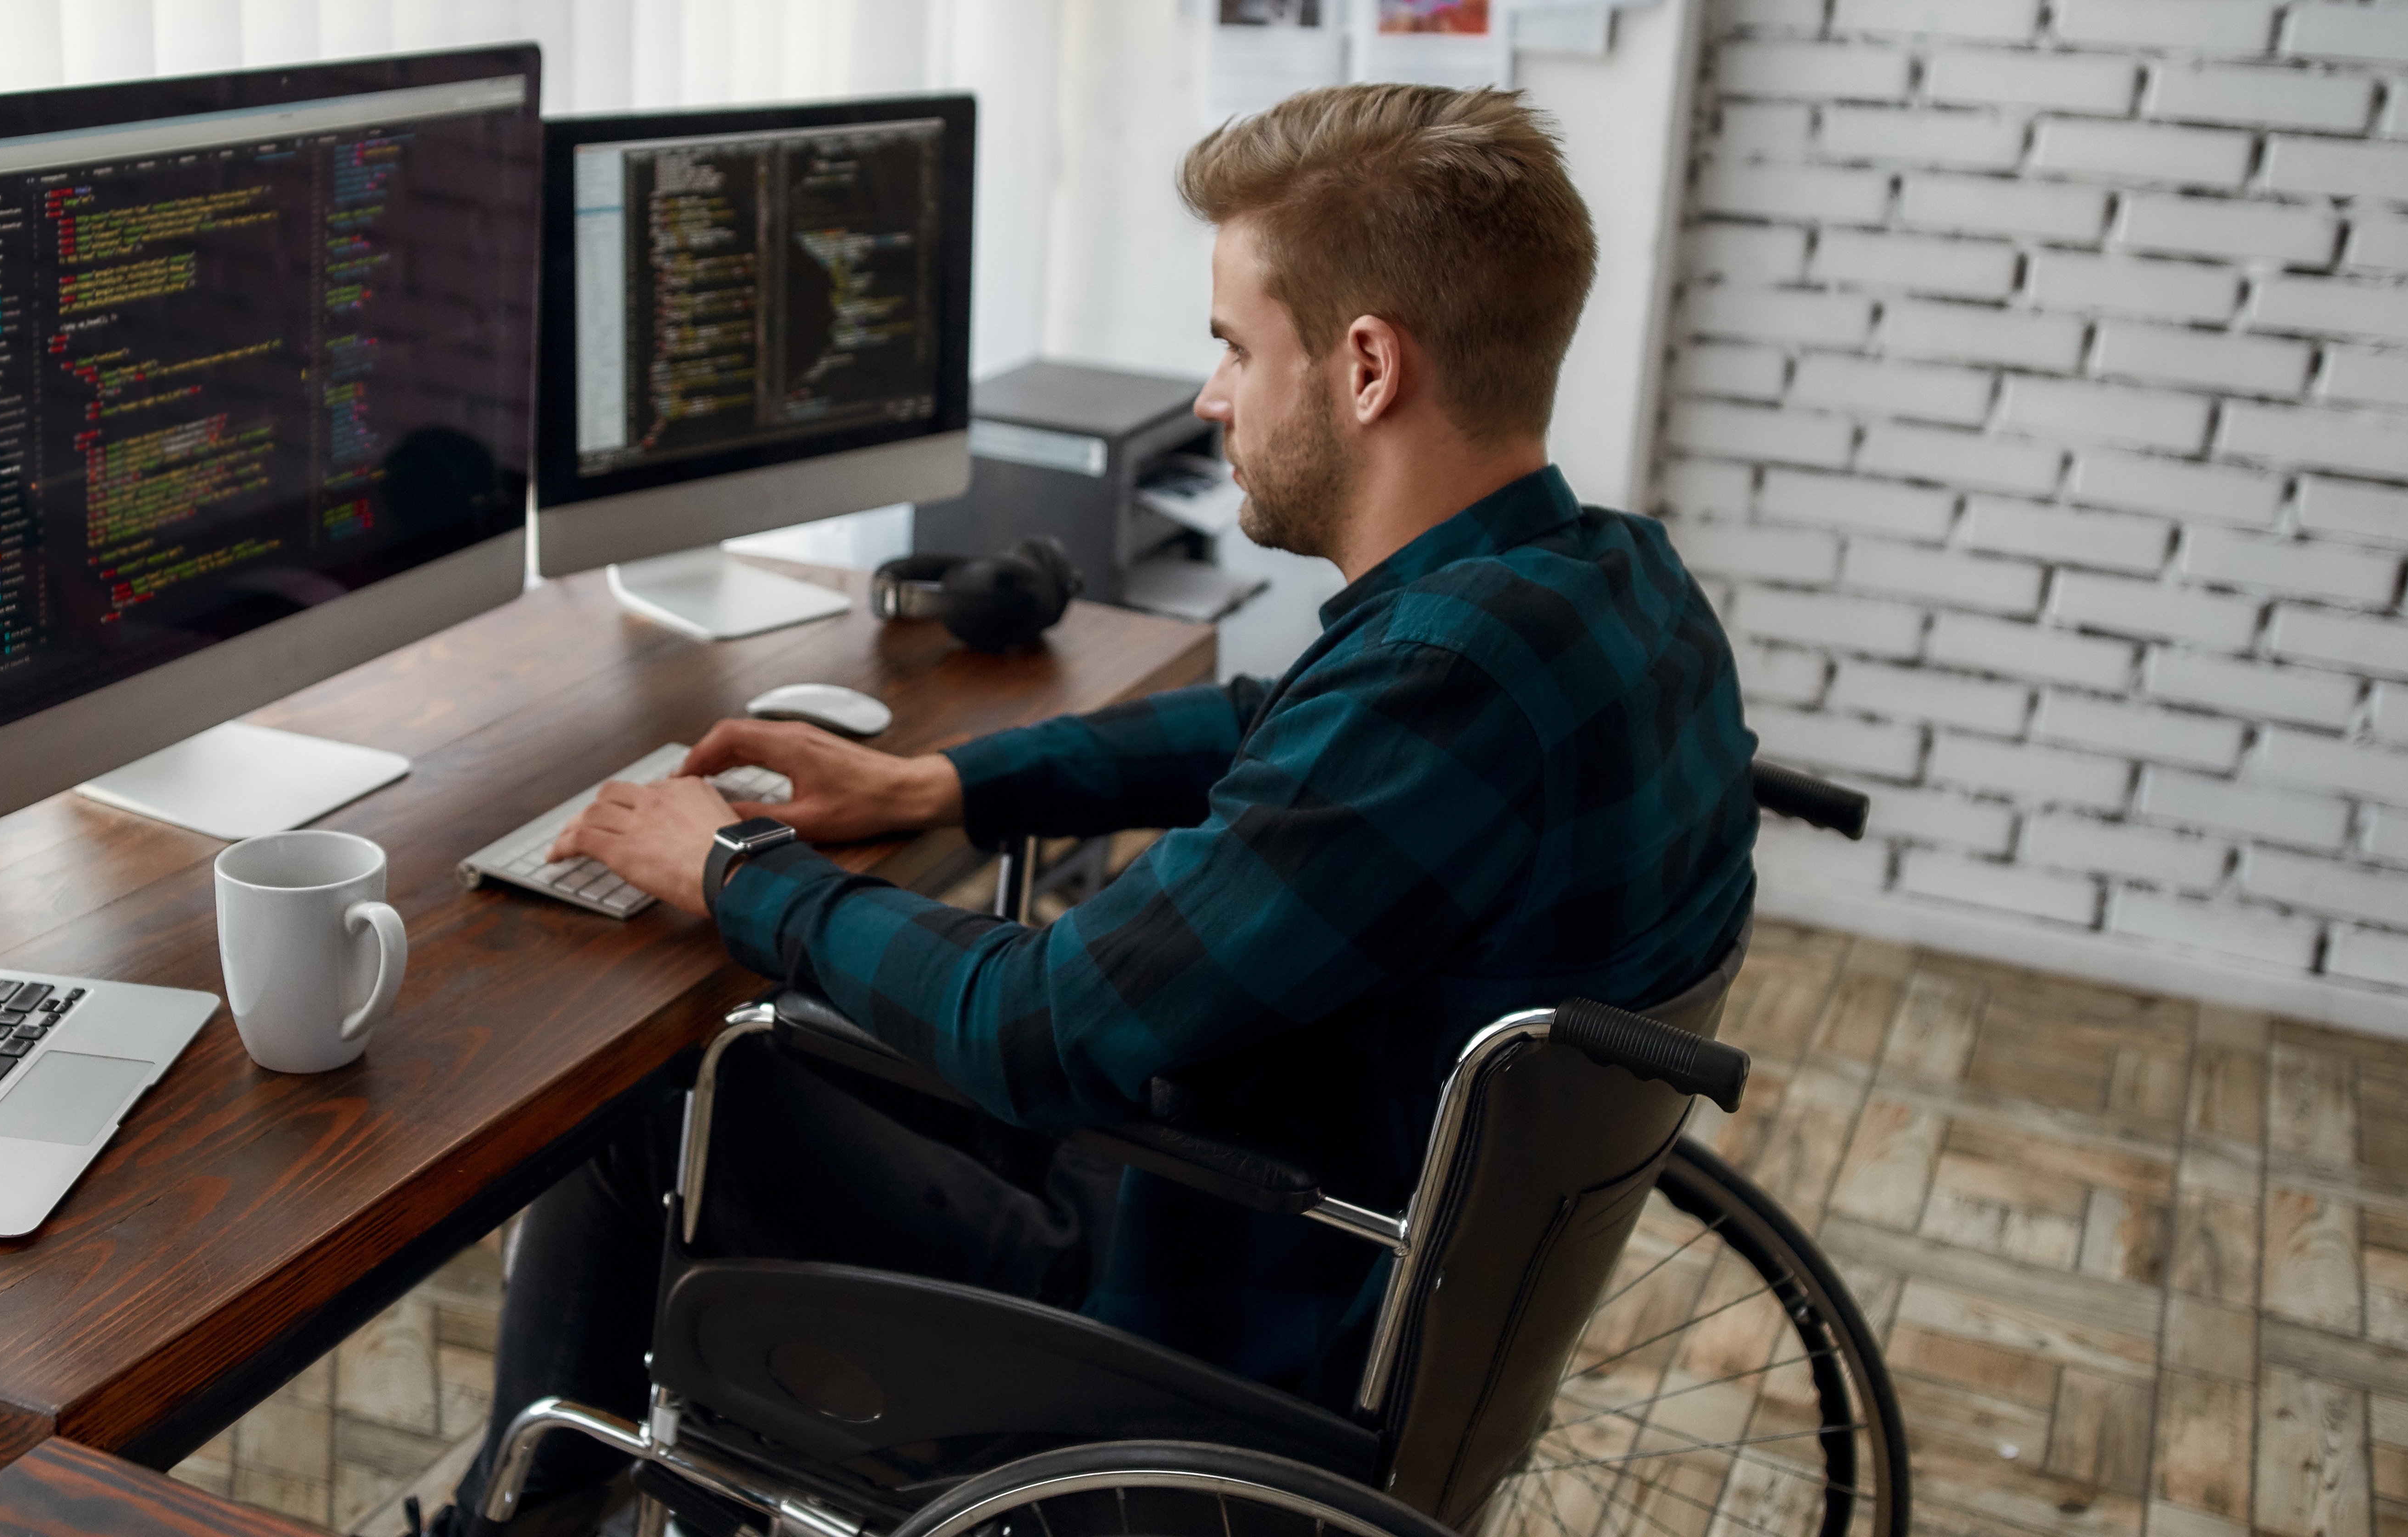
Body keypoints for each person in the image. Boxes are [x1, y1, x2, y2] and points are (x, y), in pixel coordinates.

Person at [452, 82, 1759, 1531]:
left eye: (1232, 348)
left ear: (1369, 366)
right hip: (1361, 1267)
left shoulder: (1443, 681)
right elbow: (1273, 727)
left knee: (662, 1100)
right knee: (818, 1057)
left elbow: (1046, 1028)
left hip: (1193, 1335)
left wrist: (739, 868)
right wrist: (942, 781)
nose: (1211, 398)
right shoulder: (1615, 587)